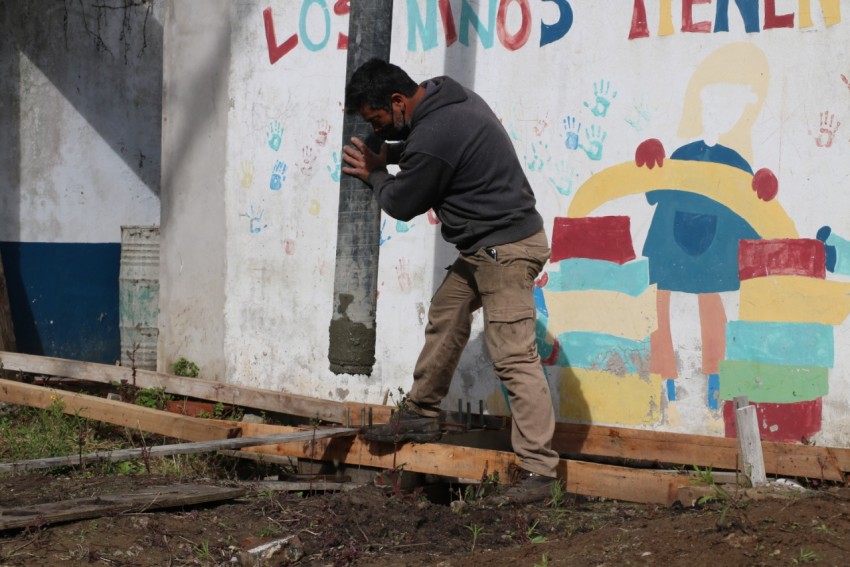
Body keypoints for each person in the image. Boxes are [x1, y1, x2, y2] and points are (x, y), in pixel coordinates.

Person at [341, 58, 559, 505]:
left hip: (505, 250)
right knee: (447, 313)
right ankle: (420, 413)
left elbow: (403, 202)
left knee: (513, 356)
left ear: (398, 101)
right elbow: (425, 151)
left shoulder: (437, 130)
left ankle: (540, 471)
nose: (378, 132)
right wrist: (391, 155)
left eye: (377, 121)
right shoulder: (443, 98)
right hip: (486, 246)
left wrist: (376, 173)